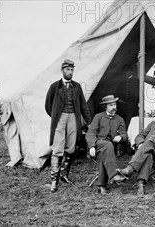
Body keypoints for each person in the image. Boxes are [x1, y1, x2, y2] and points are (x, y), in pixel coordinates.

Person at [44, 59, 93, 192]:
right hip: (60, 118)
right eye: (67, 69)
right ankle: (54, 181)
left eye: (72, 70)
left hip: (73, 118)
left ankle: (64, 175)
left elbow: (83, 105)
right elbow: (48, 106)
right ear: (62, 71)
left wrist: (89, 122)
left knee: (71, 148)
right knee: (57, 148)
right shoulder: (55, 86)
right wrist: (56, 116)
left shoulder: (77, 87)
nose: (70, 72)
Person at [85, 95, 128, 195]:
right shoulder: (98, 117)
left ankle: (102, 186)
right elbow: (91, 133)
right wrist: (91, 146)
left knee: (103, 155)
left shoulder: (119, 119)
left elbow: (125, 135)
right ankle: (113, 175)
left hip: (108, 150)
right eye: (111, 105)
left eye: (115, 104)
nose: (114, 107)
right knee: (108, 145)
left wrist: (120, 137)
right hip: (97, 144)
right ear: (105, 107)